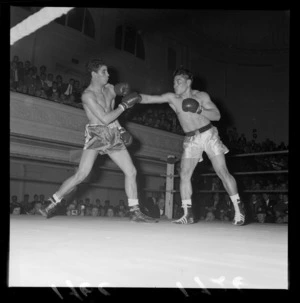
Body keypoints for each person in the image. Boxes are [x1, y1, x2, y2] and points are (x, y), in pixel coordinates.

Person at [39, 58, 158, 223]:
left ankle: (135, 211)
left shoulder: (110, 89)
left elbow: (111, 114)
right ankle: (50, 203)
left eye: (108, 71)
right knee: (82, 174)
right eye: (104, 72)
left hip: (112, 132)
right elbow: (104, 118)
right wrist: (124, 106)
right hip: (97, 133)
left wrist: (121, 129)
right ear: (94, 74)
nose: (108, 75)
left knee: (131, 171)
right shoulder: (87, 95)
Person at [139, 67, 245, 225]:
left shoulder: (201, 96)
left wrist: (199, 109)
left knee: (222, 171)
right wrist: (135, 97)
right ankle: (187, 214)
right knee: (184, 174)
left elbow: (217, 115)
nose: (175, 85)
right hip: (191, 139)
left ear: (188, 82)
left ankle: (238, 210)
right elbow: (150, 99)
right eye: (174, 82)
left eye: (178, 81)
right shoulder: (173, 98)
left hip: (208, 135)